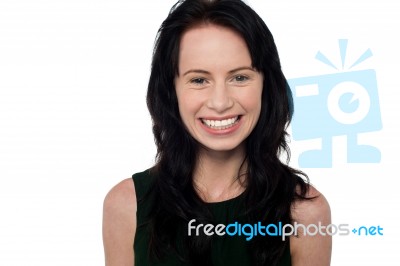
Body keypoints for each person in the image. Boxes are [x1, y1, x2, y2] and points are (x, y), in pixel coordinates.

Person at [102, 0, 332, 265]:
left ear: (266, 86)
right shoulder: (126, 205)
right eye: (198, 80)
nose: (220, 103)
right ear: (171, 90)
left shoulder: (305, 212)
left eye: (240, 77)